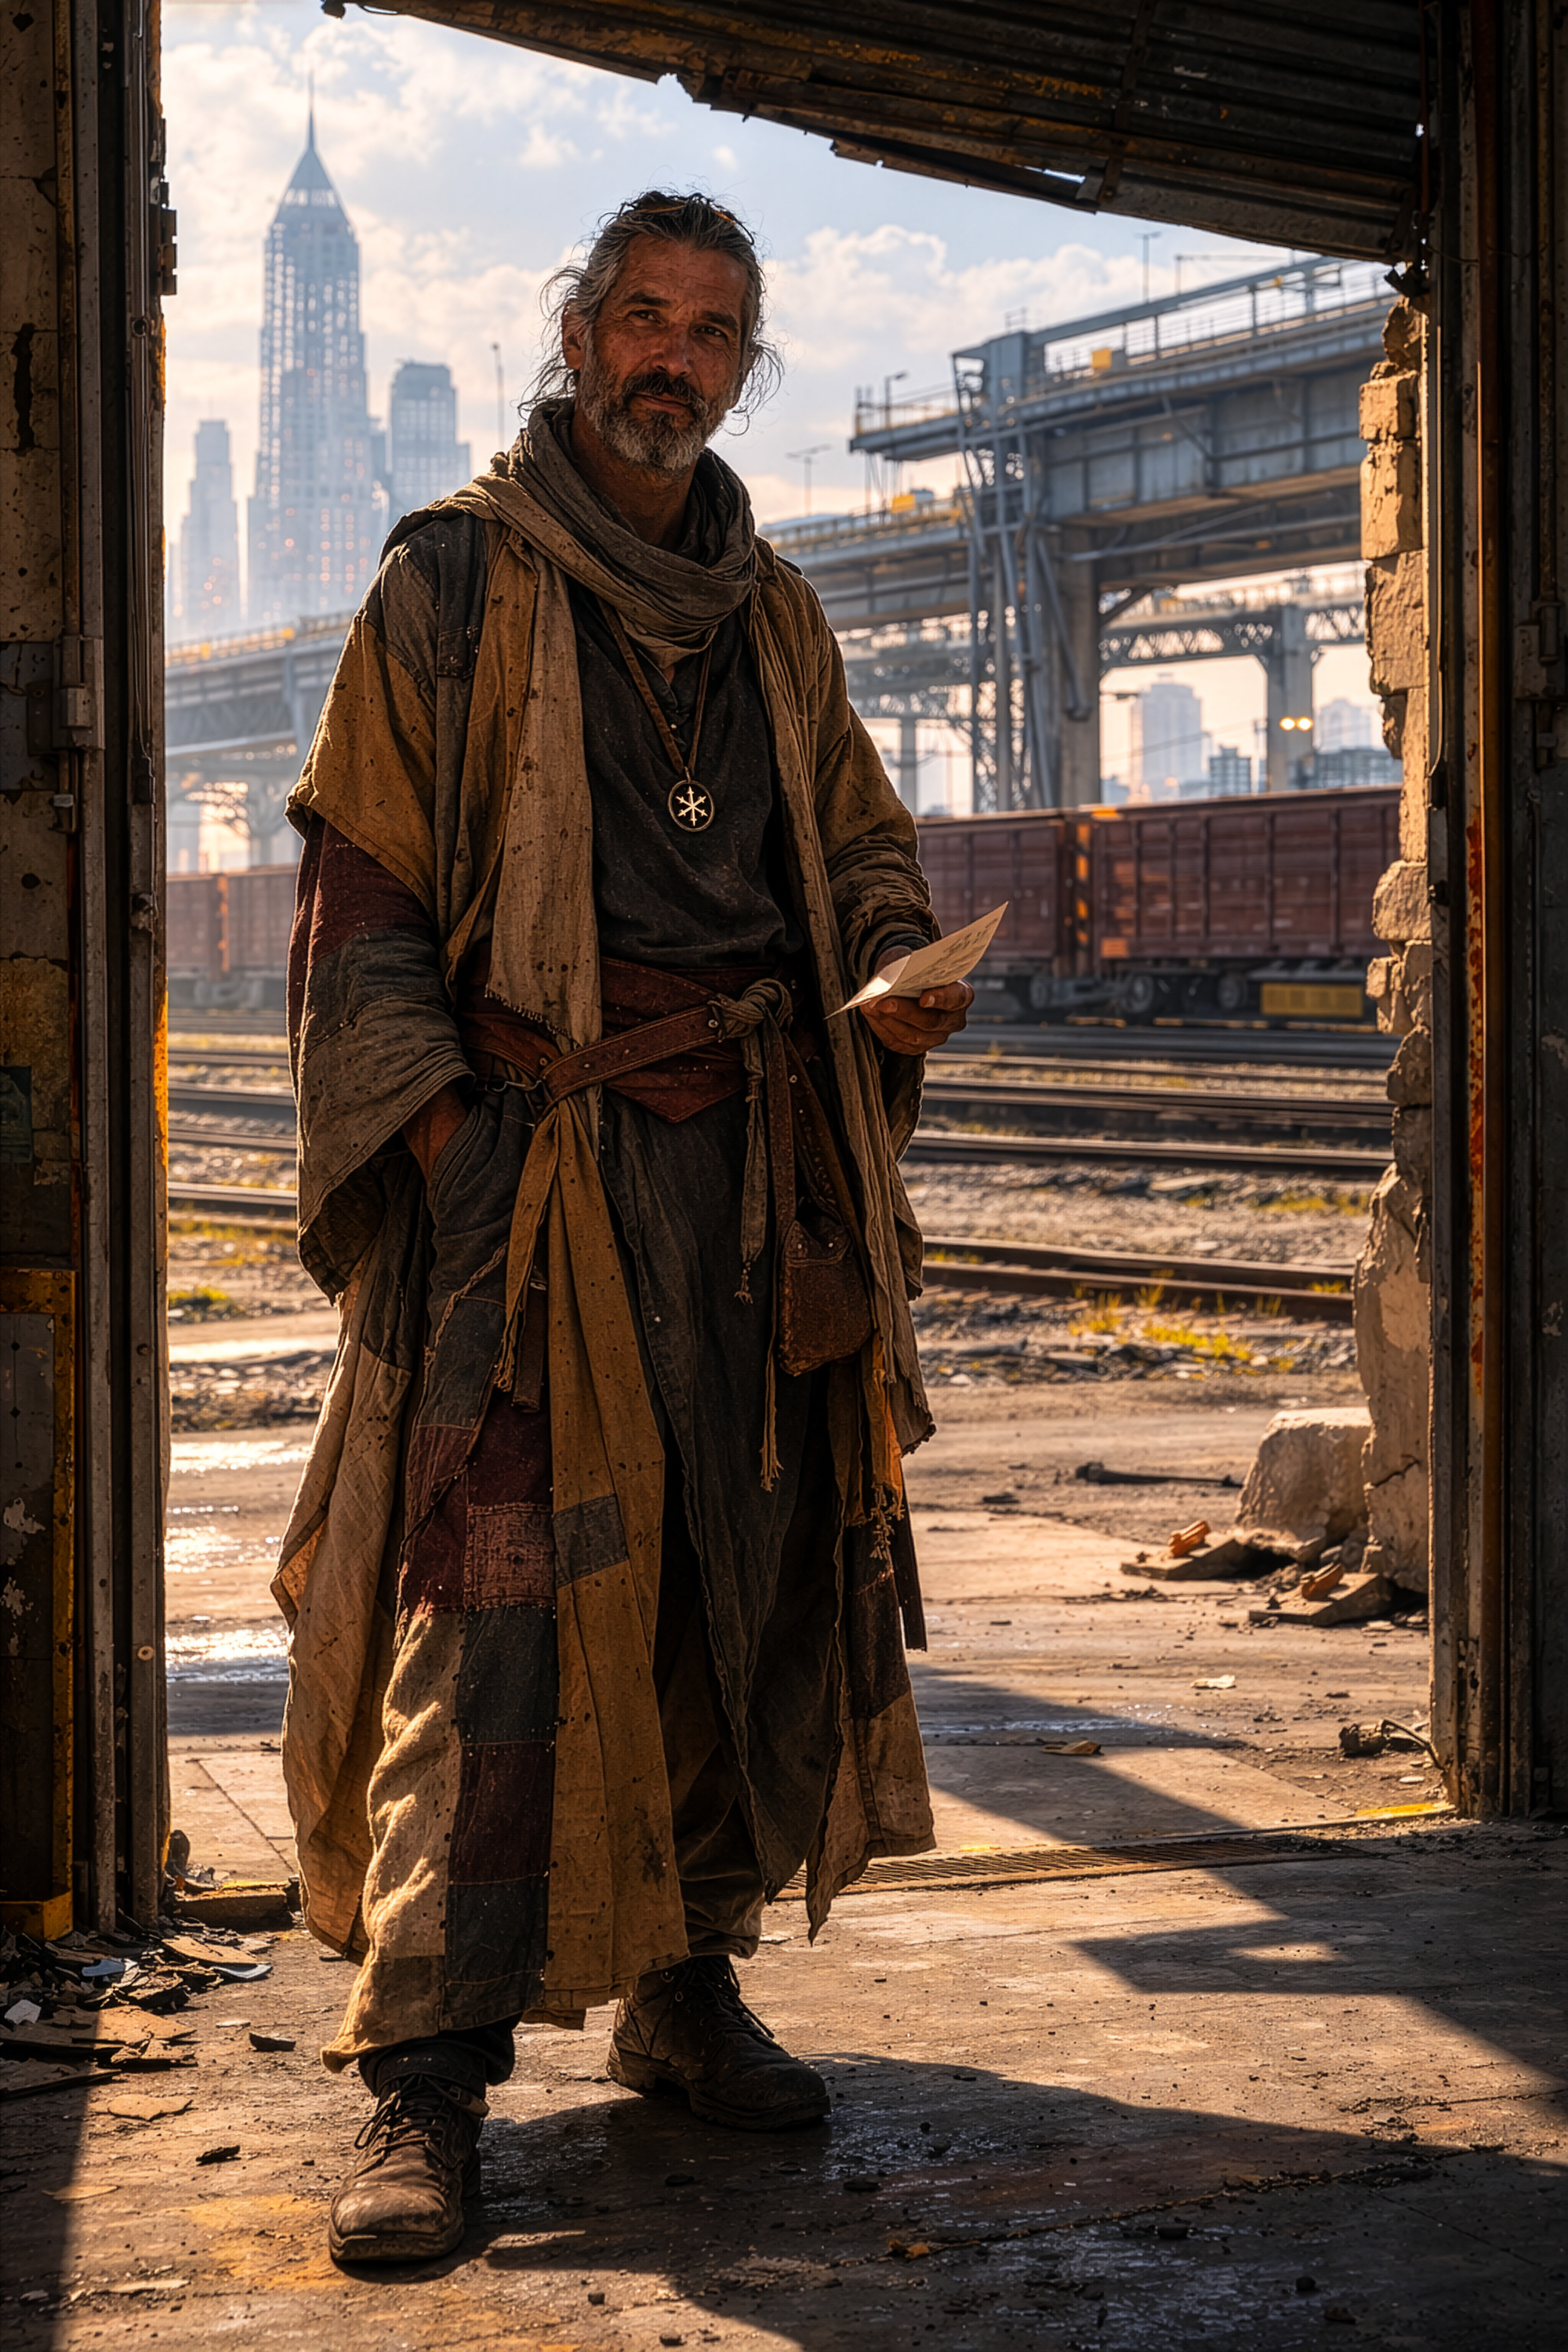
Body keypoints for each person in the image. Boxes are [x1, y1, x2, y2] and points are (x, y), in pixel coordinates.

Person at [274, 189, 971, 2267]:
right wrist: (461, 1164)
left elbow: (854, 849)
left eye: (714, 332)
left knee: (720, 1597)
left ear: (746, 366)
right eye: (642, 320)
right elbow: (364, 918)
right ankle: (420, 2080)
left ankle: (683, 1989)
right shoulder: (452, 586)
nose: (673, 360)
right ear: (576, 333)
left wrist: (897, 963)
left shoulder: (772, 612)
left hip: (748, 1199)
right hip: (531, 1190)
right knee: (491, 1625)